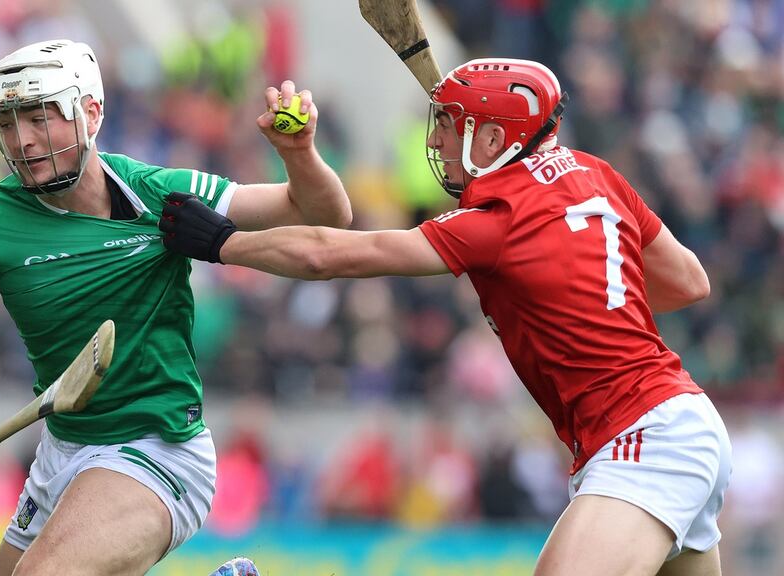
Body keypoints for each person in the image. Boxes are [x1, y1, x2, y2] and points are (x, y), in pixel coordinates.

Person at [161, 58, 732, 576]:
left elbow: (328, 255)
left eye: (450, 125)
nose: (435, 139)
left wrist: (223, 243)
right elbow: (689, 282)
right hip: (679, 420)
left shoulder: (500, 218)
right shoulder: (596, 173)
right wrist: (582, 293)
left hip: (642, 436)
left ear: (493, 138)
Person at [0, 39, 350, 576]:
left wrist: (299, 154)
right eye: (8, 122)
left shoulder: (159, 195)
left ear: (90, 113)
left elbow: (325, 213)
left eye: (39, 118)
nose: (22, 140)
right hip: (60, 451)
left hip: (158, 448)